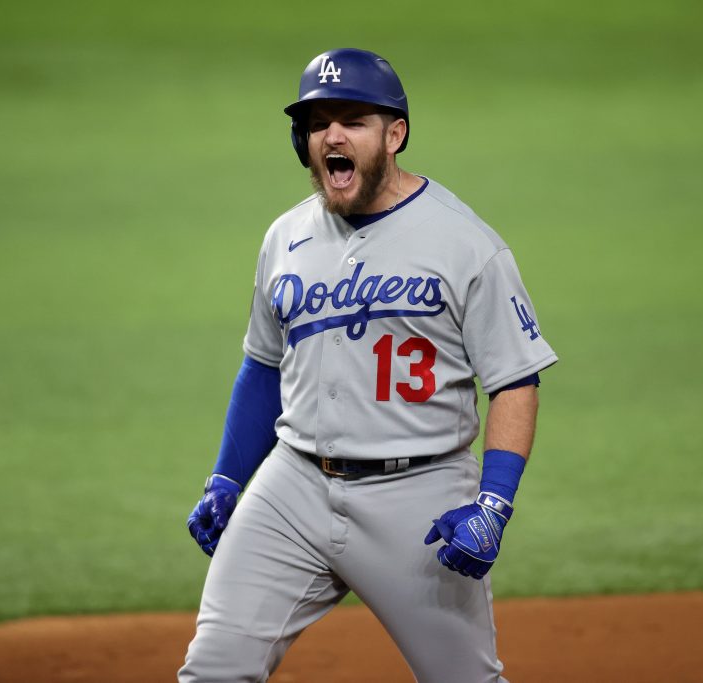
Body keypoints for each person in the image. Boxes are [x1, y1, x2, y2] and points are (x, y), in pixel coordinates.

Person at [179, 48, 558, 683]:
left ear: (395, 134)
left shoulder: (466, 243)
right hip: (291, 488)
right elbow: (263, 368)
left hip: (420, 498)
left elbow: (516, 381)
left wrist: (494, 503)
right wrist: (225, 479)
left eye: (353, 119)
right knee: (213, 670)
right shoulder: (286, 237)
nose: (332, 135)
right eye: (318, 121)